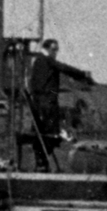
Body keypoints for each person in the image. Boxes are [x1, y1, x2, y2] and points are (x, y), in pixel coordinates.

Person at [23, 39, 94, 171]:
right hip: (47, 105)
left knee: (43, 134)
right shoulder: (46, 60)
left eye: (57, 50)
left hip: (41, 104)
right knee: (49, 134)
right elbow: (64, 68)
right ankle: (42, 162)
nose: (56, 53)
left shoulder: (38, 61)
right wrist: (83, 74)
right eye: (54, 49)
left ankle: (42, 162)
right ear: (47, 49)